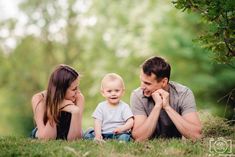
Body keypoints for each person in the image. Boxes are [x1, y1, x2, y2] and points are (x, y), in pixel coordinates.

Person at [131, 56, 202, 141]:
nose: (142, 87)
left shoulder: (184, 93)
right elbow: (139, 137)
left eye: (147, 83)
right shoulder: (137, 95)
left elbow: (196, 135)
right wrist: (157, 106)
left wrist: (167, 107)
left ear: (164, 82)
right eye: (142, 81)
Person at [30, 64, 84, 140]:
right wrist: (55, 108)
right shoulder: (39, 99)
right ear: (61, 90)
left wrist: (75, 111)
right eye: (74, 89)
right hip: (45, 132)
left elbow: (76, 139)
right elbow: (46, 138)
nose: (77, 91)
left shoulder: (78, 97)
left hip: (66, 133)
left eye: (77, 87)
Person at [84, 73, 133, 142]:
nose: (113, 94)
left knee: (124, 137)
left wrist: (122, 128)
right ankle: (98, 139)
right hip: (103, 133)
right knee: (88, 135)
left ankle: (120, 142)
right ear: (103, 93)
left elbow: (130, 121)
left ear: (122, 92)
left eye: (117, 90)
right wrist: (98, 135)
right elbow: (97, 122)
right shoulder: (101, 106)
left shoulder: (124, 107)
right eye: (109, 91)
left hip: (118, 134)